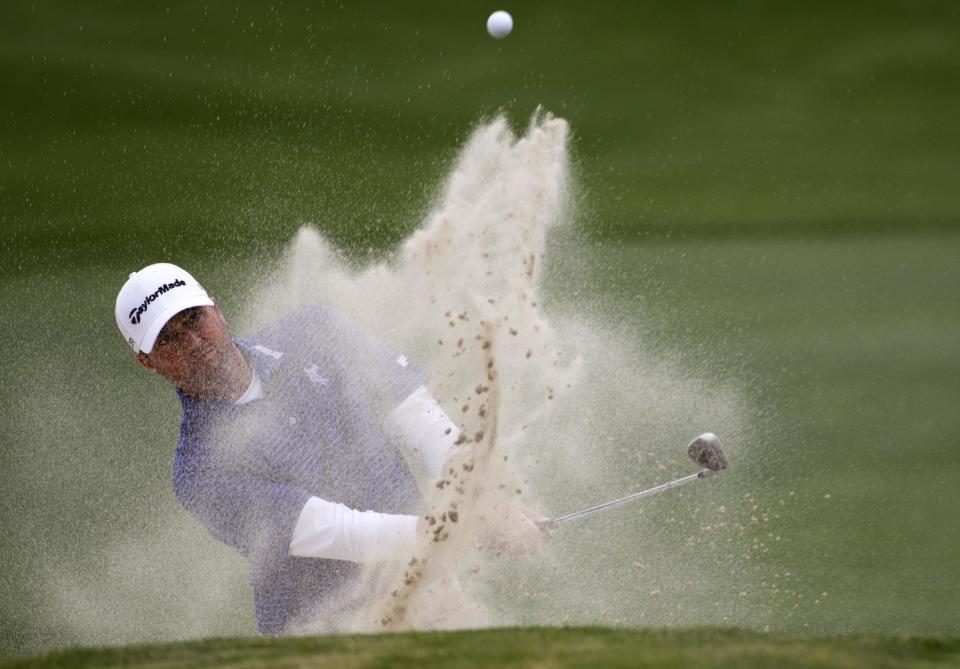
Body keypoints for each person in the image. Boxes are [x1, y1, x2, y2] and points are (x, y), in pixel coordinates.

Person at [115, 262, 547, 634]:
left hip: (424, 587)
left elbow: (419, 418)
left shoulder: (314, 330)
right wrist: (463, 527)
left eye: (193, 319)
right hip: (323, 632)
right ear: (146, 361)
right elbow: (343, 533)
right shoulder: (199, 471)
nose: (193, 342)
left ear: (215, 306)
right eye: (168, 339)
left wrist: (480, 499)